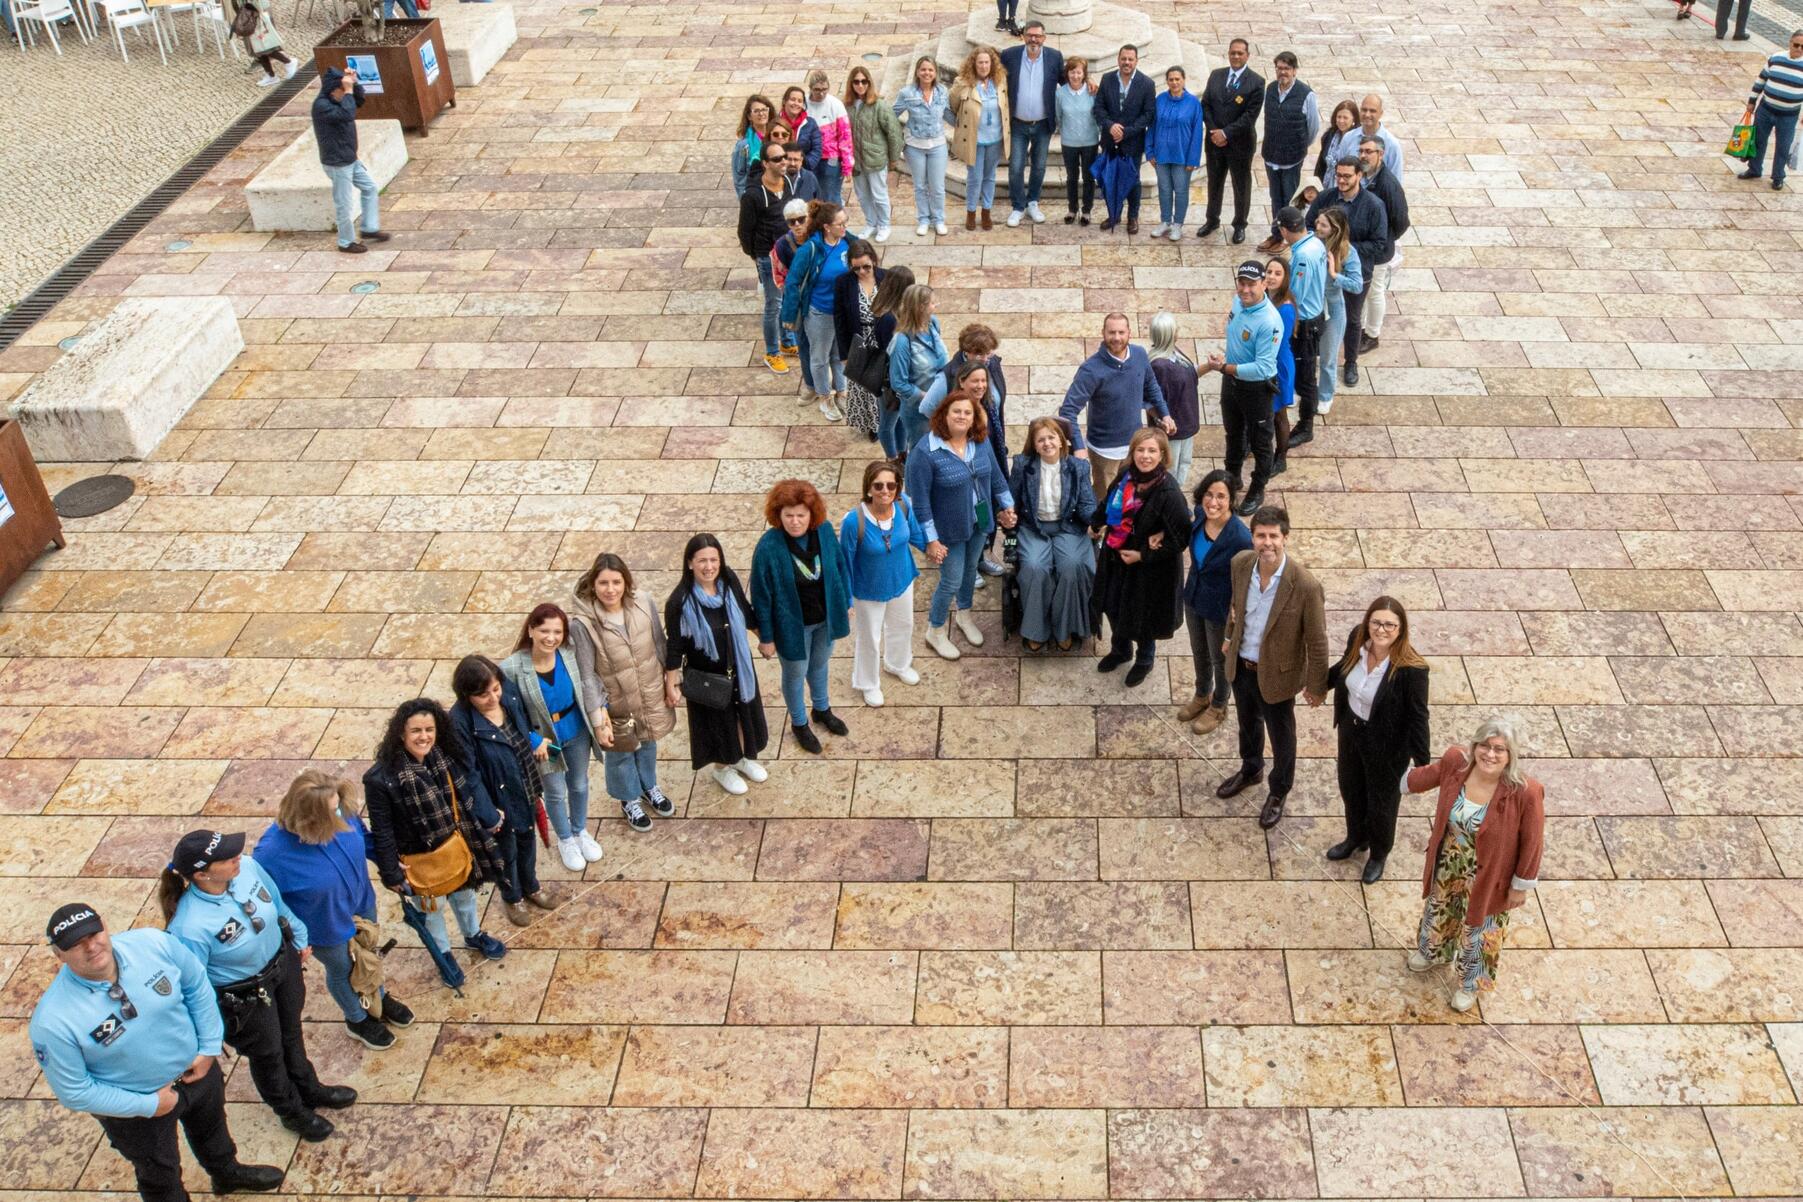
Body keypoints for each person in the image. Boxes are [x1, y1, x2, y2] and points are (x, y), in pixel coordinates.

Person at [29, 904, 284, 1202]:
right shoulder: (53, 1021)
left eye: (94, 933)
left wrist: (208, 1048)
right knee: (159, 1173)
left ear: (105, 926)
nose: (90, 946)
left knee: (213, 1130)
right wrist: (150, 1104)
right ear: (58, 955)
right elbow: (74, 1091)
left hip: (197, 1072)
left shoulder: (153, 944)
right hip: (136, 1110)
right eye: (74, 944)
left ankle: (227, 1174)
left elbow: (197, 985)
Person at [158, 831, 353, 1142]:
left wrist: (298, 936)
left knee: (291, 1032)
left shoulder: (247, 867)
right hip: (244, 995)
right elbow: (195, 985)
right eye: (226, 857)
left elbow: (276, 903)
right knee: (268, 1054)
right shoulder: (188, 926)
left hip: (282, 965)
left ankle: (309, 1087)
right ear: (201, 874)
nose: (238, 855)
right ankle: (290, 1110)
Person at [253, 771, 414, 1052]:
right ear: (308, 817)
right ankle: (357, 1018)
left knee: (368, 957)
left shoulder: (343, 814)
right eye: (331, 812)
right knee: (342, 969)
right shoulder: (270, 855)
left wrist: (390, 867)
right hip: (324, 926)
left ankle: (378, 997)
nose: (340, 816)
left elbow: (365, 840)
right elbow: (268, 903)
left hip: (362, 904)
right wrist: (295, 939)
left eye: (338, 806)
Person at [1405, 720, 1545, 1011]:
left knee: (1480, 930)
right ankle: (1434, 951)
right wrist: (1389, 768)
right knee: (1440, 908)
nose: (1490, 755)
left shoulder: (1525, 791)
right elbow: (1421, 779)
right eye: (1485, 746)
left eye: (1499, 750)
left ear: (1510, 755)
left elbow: (1533, 842)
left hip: (1492, 873)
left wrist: (1521, 885)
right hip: (1449, 861)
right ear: (1474, 746)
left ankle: (1470, 985)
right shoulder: (1456, 764)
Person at [362, 699, 511, 962]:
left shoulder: (444, 755)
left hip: (456, 843)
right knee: (432, 910)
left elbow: (467, 791)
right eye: (416, 731)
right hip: (419, 857)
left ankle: (473, 934)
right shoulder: (380, 778)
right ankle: (444, 956)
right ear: (401, 733)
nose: (424, 737)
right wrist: (391, 872)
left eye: (429, 729)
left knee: (465, 896)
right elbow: (381, 829)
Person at [1218, 504, 1328, 830]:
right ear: (1252, 537)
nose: (1267, 542)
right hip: (1242, 664)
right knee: (1247, 723)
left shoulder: (1305, 585)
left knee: (1282, 736)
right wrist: (1228, 636)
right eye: (1261, 536)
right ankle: (1251, 769)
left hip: (1278, 675)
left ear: (1285, 538)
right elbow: (1235, 607)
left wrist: (1317, 685)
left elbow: (1318, 640)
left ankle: (1279, 790)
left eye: (1273, 536)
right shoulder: (1240, 564)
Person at [1321, 596, 1430, 885]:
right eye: (1376, 622)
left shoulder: (1412, 669)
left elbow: (1419, 717)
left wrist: (1423, 765)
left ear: (1401, 629)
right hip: (1351, 732)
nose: (1381, 630)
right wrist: (1317, 685)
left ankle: (1379, 853)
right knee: (1351, 788)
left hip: (1387, 745)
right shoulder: (1358, 639)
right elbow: (1343, 668)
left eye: (1390, 625)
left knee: (1382, 802)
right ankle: (1356, 838)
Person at [906, 384, 1018, 660]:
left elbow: (995, 477)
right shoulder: (925, 452)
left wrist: (1007, 506)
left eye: (968, 412)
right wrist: (931, 540)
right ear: (943, 414)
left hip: (979, 521)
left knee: (970, 571)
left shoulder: (980, 442)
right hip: (948, 530)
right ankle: (935, 629)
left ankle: (964, 615)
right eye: (956, 411)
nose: (962, 416)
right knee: (951, 579)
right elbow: (919, 501)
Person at [566, 553, 678, 827]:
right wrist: (597, 717)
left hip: (648, 690)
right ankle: (629, 799)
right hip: (614, 702)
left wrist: (671, 682)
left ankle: (648, 785)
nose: (610, 589)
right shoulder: (583, 624)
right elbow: (586, 673)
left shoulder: (643, 602)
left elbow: (659, 643)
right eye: (603, 583)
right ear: (593, 585)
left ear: (626, 582)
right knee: (621, 753)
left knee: (648, 741)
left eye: (617, 582)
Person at [449, 655, 555, 927]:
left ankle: (531, 886)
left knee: (528, 840)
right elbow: (468, 775)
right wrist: (488, 813)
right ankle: (512, 896)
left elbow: (523, 725)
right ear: (467, 695)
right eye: (483, 695)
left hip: (525, 782)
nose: (493, 698)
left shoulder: (509, 694)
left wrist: (535, 740)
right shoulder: (460, 723)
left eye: (495, 689)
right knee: (506, 852)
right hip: (497, 798)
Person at [664, 534, 771, 797]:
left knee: (744, 715)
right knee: (718, 724)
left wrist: (764, 639)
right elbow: (675, 645)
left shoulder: (728, 581)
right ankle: (723, 767)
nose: (709, 566)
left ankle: (743, 757)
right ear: (690, 563)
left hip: (739, 667)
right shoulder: (679, 601)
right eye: (702, 560)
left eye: (714, 559)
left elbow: (745, 611)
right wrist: (671, 681)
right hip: (707, 674)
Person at [751, 480, 853, 753]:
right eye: (788, 515)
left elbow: (840, 566)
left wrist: (846, 601)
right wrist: (767, 637)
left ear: (812, 514)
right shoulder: (768, 546)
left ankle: (822, 709)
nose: (795, 522)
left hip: (824, 619)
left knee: (819, 665)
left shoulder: (825, 532)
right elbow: (761, 595)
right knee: (795, 673)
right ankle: (799, 722)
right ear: (778, 515)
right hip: (791, 626)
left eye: (801, 515)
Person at [501, 605, 605, 866]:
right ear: (531, 630)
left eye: (557, 631)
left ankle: (580, 830)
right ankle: (565, 838)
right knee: (555, 792)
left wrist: (601, 716)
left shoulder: (569, 654)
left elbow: (590, 683)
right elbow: (505, 714)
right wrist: (532, 740)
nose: (551, 637)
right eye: (544, 630)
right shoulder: (512, 667)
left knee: (579, 783)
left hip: (575, 729)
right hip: (543, 740)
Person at [1091, 427, 1191, 686]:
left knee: (1143, 616)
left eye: (1152, 451)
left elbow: (1180, 539)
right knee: (1113, 605)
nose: (1145, 456)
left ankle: (1145, 659)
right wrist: (1095, 523)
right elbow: (1108, 501)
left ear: (1162, 455)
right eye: (1140, 450)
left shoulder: (1169, 493)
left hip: (1148, 569)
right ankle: (1120, 650)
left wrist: (1142, 555)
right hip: (1116, 554)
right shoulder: (1126, 475)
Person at [918, 322, 1009, 574]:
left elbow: (998, 404)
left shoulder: (992, 365)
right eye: (979, 354)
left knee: (986, 503)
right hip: (962, 452)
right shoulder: (947, 376)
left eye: (988, 353)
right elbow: (926, 409)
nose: (985, 358)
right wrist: (950, 436)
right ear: (966, 352)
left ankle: (979, 557)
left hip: (990, 446)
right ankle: (962, 565)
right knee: (962, 507)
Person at [1059, 312, 1175, 499]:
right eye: (1111, 332)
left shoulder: (1139, 354)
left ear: (1129, 332)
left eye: (1121, 332)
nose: (1116, 338)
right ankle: (1102, 528)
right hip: (1105, 452)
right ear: (1103, 333)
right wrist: (1079, 447)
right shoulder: (1090, 370)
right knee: (1105, 500)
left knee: (1133, 498)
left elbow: (1151, 385)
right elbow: (1068, 411)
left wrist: (1165, 414)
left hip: (1135, 446)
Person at [840, 460, 927, 706]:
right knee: (869, 637)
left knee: (904, 625)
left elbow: (916, 534)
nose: (885, 491)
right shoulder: (852, 521)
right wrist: (846, 599)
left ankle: (897, 664)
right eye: (878, 486)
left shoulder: (903, 505)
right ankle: (868, 682)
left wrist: (934, 548)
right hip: (869, 590)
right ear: (868, 488)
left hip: (902, 579)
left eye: (891, 485)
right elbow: (844, 561)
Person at [1200, 262, 1283, 516]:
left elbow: (1263, 368)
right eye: (1242, 283)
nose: (1245, 290)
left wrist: (1226, 367)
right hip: (1231, 380)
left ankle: (1258, 487)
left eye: (1251, 285)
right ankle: (1232, 478)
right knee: (1233, 433)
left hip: (1256, 388)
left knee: (1260, 443)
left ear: (1264, 284)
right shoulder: (1238, 303)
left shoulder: (1270, 321)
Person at [1009, 416, 1097, 652]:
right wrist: (1007, 515)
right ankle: (1037, 630)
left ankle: (1064, 628)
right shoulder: (1022, 465)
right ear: (1034, 444)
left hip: (1068, 525)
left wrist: (1097, 522)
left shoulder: (1078, 467)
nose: (1047, 443)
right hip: (1034, 527)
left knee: (1073, 565)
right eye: (1041, 440)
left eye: (1051, 437)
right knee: (1035, 567)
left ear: (1061, 441)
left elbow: (1087, 503)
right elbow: (1011, 501)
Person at [1306, 156, 1391, 389]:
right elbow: (1310, 223)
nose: (1341, 180)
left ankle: (1350, 362)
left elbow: (1379, 243)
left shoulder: (1373, 205)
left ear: (1359, 176)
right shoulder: (1327, 197)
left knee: (1352, 319)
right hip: (1323, 272)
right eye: (1338, 175)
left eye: (1347, 176)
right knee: (1318, 313)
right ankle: (1316, 354)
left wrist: (1343, 247)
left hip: (1356, 272)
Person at [1179, 470, 1251, 734]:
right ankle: (1202, 695)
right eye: (1209, 494)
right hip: (1193, 596)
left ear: (1231, 500)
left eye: (1221, 496)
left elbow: (1247, 579)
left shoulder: (1240, 538)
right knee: (1199, 651)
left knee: (1219, 659)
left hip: (1220, 609)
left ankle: (1219, 704)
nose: (1213, 502)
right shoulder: (1199, 516)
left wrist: (1236, 612)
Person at [780, 201, 853, 421]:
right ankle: (824, 397)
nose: (844, 227)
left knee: (839, 356)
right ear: (826, 227)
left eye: (845, 222)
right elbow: (792, 282)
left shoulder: (848, 241)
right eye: (840, 224)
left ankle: (841, 392)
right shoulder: (810, 249)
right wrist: (789, 315)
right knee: (819, 357)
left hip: (841, 312)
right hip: (819, 312)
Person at [312, 68, 391, 255]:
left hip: (350, 159)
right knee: (344, 206)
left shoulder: (340, 99)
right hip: (338, 164)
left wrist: (354, 83)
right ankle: (345, 242)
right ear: (334, 90)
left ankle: (369, 228)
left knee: (370, 188)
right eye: (343, 89)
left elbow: (358, 101)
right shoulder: (322, 106)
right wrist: (348, 91)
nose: (347, 94)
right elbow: (347, 114)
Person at [1198, 38, 1264, 243]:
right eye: (1232, 53)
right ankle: (1212, 219)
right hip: (1214, 142)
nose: (1236, 56)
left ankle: (1239, 224)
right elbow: (1205, 105)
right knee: (1214, 183)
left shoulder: (1256, 82)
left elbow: (1249, 117)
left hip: (1240, 144)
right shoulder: (1216, 75)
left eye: (1240, 53)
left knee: (1241, 185)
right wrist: (1214, 131)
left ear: (1247, 56)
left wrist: (1225, 133)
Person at [739, 142, 796, 376]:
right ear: (764, 163)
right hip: (767, 256)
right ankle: (772, 352)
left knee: (788, 298)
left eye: (784, 157)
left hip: (788, 252)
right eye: (776, 159)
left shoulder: (789, 182)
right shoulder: (753, 195)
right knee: (773, 304)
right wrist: (757, 255)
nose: (783, 161)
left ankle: (787, 340)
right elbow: (745, 231)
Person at [1000, 21, 1063, 226]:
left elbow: (1066, 79)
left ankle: (1033, 201)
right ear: (1024, 36)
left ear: (1044, 38)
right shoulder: (1009, 55)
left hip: (1043, 124)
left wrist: (1087, 82)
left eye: (1038, 36)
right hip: (1018, 124)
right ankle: (1018, 206)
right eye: (1030, 35)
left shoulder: (1054, 57)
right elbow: (994, 77)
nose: (1033, 39)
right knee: (1016, 167)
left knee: (1039, 167)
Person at [1256, 52, 1320, 254]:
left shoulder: (1306, 94)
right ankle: (1276, 233)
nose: (1283, 72)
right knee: (1276, 199)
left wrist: (1300, 146)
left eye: (1286, 68)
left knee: (1290, 200)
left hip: (1292, 158)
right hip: (1271, 155)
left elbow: (1313, 127)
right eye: (1279, 68)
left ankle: (1287, 238)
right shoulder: (1270, 90)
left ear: (1294, 70)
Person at [1276, 204, 1327, 447]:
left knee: (1305, 377)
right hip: (1313, 317)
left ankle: (1306, 425)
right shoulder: (1314, 243)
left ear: (1285, 230)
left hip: (1305, 323)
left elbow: (1296, 293)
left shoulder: (1304, 256)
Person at [1356, 133, 1409, 356]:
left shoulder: (1388, 184)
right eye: (1361, 151)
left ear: (1381, 154)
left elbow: (1401, 221)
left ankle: (1372, 334)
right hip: (1362, 245)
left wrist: (1385, 239)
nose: (1364, 156)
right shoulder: (1363, 176)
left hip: (1377, 249)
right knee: (1362, 289)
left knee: (1374, 291)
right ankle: (1359, 327)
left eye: (1369, 152)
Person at [1095, 43, 1156, 234]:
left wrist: (1127, 131)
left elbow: (1148, 114)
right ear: (1118, 60)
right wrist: (1110, 126)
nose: (1126, 62)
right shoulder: (1107, 79)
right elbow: (1098, 108)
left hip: (1132, 142)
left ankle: (1133, 217)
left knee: (1132, 181)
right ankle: (1114, 214)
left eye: (1130, 59)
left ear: (1136, 61)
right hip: (1109, 140)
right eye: (1123, 59)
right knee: (1110, 179)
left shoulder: (1147, 84)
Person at [949, 45, 1010, 230]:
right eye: (980, 62)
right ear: (973, 64)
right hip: (974, 139)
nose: (983, 66)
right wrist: (961, 126)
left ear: (992, 64)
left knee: (990, 176)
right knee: (975, 177)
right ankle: (970, 212)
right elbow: (951, 106)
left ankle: (986, 212)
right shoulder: (963, 83)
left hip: (994, 138)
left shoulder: (1000, 81)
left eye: (987, 62)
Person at [834, 240, 889, 440]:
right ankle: (872, 424)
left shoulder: (886, 277)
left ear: (874, 260)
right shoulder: (844, 282)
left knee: (885, 384)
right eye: (856, 268)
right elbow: (839, 319)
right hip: (859, 340)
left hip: (883, 339)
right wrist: (843, 353)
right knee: (864, 386)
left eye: (866, 266)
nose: (862, 272)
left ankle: (887, 422)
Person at [894, 55, 952, 236]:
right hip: (914, 146)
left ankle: (939, 219)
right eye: (923, 69)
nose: (927, 73)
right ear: (918, 72)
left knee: (937, 186)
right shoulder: (907, 93)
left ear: (935, 73)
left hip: (937, 145)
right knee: (920, 185)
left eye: (930, 70)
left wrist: (968, 125)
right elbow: (891, 115)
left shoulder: (943, 92)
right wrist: (896, 137)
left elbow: (949, 115)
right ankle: (923, 219)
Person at [1737, 31, 1803, 191]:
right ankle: (1754, 170)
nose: (1799, 49)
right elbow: (1761, 80)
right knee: (1759, 140)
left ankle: (1778, 176)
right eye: (1796, 45)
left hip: (1789, 115)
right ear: (1790, 43)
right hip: (1765, 109)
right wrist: (1752, 101)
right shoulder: (1776, 58)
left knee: (1783, 146)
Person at [888, 283, 948, 455]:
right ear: (920, 307)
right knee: (920, 452)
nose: (936, 306)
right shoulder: (901, 341)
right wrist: (929, 397)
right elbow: (898, 383)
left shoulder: (933, 324)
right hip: (918, 412)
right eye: (932, 303)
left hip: (941, 403)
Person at [1313, 207, 1362, 418]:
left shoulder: (1348, 252)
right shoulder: (1312, 243)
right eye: (1318, 223)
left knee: (1328, 356)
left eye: (1323, 225)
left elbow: (1357, 285)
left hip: (1332, 309)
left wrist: (1335, 275)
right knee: (1302, 353)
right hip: (1310, 304)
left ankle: (1325, 395)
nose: (1318, 227)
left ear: (1335, 229)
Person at [846, 65, 903, 241]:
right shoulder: (847, 106)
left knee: (879, 194)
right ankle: (871, 223)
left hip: (875, 158)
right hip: (856, 160)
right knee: (862, 195)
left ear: (869, 82)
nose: (860, 85)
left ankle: (884, 225)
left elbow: (894, 133)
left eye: (864, 81)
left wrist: (893, 158)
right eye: (856, 82)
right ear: (851, 84)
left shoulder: (880, 106)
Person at [1148, 66, 1205, 241]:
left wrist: (1193, 159)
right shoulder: (1160, 100)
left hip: (1182, 156)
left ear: (1184, 80)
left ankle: (1178, 224)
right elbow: (1152, 126)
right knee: (1164, 189)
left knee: (1180, 191)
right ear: (1167, 81)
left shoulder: (1193, 103)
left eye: (1177, 79)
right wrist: (1150, 151)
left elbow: (1197, 133)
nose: (1174, 82)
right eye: (1171, 79)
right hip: (1161, 155)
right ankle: (1165, 221)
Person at [1148, 312, 1200, 487]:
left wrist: (1210, 366)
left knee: (1183, 465)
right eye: (1175, 327)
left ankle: (1176, 499)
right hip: (1173, 430)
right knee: (1170, 471)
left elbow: (1189, 374)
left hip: (1186, 423)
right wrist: (1160, 420)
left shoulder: (1174, 352)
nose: (1178, 329)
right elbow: (1149, 399)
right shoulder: (1159, 366)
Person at [868, 266, 916, 456]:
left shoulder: (891, 310)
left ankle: (902, 453)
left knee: (900, 419)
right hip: (891, 379)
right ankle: (893, 458)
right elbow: (894, 351)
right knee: (888, 423)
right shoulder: (889, 318)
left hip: (893, 375)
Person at [1263, 256, 1297, 475]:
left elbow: (1277, 342)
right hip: (1266, 360)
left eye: (1277, 273)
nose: (1272, 277)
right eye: (1269, 272)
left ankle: (1281, 456)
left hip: (1278, 364)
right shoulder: (1264, 297)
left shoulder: (1285, 308)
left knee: (1279, 414)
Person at [1056, 56, 1100, 224]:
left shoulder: (1092, 92)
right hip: (1069, 142)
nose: (1075, 76)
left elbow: (1097, 114)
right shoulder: (1060, 93)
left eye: (1079, 72)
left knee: (1089, 177)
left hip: (1090, 141)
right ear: (1067, 73)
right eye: (1072, 72)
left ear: (1084, 74)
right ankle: (1072, 209)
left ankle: (1087, 210)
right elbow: (1058, 116)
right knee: (1071, 177)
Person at [806, 70, 856, 206]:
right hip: (808, 157)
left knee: (831, 197)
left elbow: (845, 137)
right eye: (817, 90)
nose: (821, 93)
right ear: (810, 88)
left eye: (824, 89)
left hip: (830, 159)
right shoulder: (803, 104)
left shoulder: (835, 104)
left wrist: (847, 166)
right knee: (810, 198)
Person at [730, 93, 777, 197]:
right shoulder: (743, 145)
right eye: (756, 111)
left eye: (764, 109)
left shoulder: (777, 136)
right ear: (749, 116)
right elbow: (739, 175)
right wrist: (745, 198)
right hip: (755, 195)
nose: (761, 114)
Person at [240, 0, 295, 87]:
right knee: (258, 48)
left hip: (255, 11)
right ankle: (271, 75)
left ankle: (288, 62)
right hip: (249, 11)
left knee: (264, 46)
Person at [779, 86, 824, 190]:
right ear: (785, 101)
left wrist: (804, 165)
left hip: (804, 172)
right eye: (792, 99)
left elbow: (817, 149)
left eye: (799, 101)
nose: (796, 103)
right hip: (780, 171)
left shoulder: (810, 123)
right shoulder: (775, 122)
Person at [1313, 98, 1360, 186]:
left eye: (1345, 118)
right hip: (1325, 185)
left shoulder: (1357, 141)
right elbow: (1321, 164)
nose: (1341, 121)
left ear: (1354, 120)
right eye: (1339, 117)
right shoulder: (1329, 136)